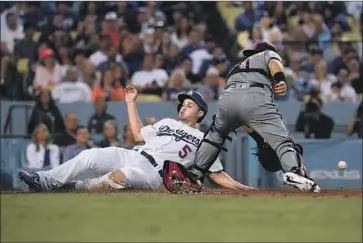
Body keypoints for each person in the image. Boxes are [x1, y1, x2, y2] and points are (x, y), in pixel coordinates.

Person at [18, 88, 252, 192]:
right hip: (133, 153)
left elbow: (216, 174)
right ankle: (45, 179)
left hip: (153, 174)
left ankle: (73, 188)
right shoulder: (167, 123)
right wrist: (131, 103)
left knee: (118, 178)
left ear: (200, 113)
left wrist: (245, 189)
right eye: (183, 104)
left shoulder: (204, 139)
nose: (183, 107)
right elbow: (139, 134)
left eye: (190, 105)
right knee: (90, 155)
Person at [183, 42, 321, 193]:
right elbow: (274, 62)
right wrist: (280, 78)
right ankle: (294, 172)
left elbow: (243, 116)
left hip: (227, 99)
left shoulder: (235, 68)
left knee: (214, 137)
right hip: (255, 96)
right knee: (283, 142)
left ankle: (195, 175)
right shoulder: (267, 54)